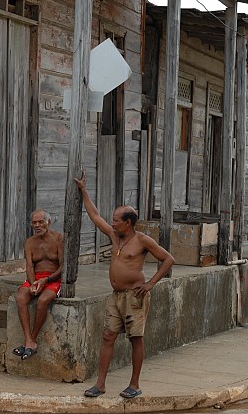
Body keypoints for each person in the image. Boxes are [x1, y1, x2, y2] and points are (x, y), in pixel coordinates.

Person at [74, 170, 175, 399]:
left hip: (134, 296)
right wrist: (84, 192)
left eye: (117, 220)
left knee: (135, 339)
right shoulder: (113, 235)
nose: (112, 223)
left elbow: (168, 259)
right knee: (108, 337)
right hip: (116, 296)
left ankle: (134, 384)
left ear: (128, 223)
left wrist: (150, 283)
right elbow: (95, 216)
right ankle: (100, 384)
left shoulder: (142, 240)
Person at [11, 209, 63, 361]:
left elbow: (63, 266)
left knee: (42, 301)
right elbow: (29, 266)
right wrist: (34, 283)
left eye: (41, 222)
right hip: (36, 278)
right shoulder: (29, 242)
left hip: (53, 279)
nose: (37, 225)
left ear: (49, 222)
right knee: (20, 297)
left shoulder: (59, 239)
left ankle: (31, 340)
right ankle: (29, 340)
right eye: (34, 222)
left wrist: (46, 281)